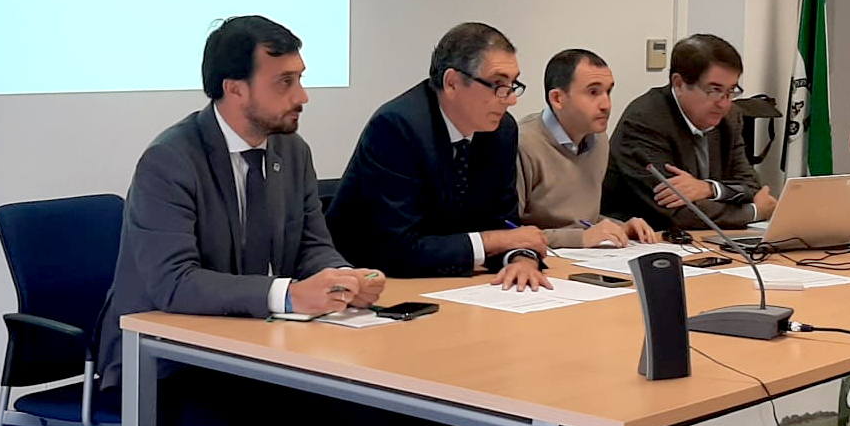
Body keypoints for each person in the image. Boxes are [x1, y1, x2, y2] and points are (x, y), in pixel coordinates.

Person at [97, 15, 387, 426]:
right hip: (164, 365)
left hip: (249, 356)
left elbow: (312, 244)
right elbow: (172, 284)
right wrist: (288, 295)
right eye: (285, 82)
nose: (302, 96)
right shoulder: (169, 161)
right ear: (235, 89)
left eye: (301, 79)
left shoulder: (294, 151)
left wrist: (342, 278)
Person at [327, 22, 550, 291]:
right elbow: (398, 249)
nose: (510, 99)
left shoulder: (501, 131)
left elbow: (506, 223)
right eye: (497, 85)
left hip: (455, 286)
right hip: (373, 286)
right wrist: (499, 242)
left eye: (512, 85)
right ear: (452, 83)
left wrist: (520, 259)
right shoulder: (398, 127)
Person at [602, 33, 779, 230]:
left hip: (704, 239)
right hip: (642, 241)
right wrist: (753, 212)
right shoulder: (644, 121)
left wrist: (709, 188)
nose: (724, 103)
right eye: (714, 90)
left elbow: (751, 186)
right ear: (679, 84)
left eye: (731, 91)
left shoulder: (730, 118)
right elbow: (678, 213)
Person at [516, 48, 659, 249]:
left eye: (608, 91)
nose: (606, 104)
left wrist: (620, 227)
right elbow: (508, 232)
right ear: (558, 99)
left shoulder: (599, 140)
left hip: (583, 260)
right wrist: (580, 238)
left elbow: (579, 219)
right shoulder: (523, 144)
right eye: (593, 92)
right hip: (536, 262)